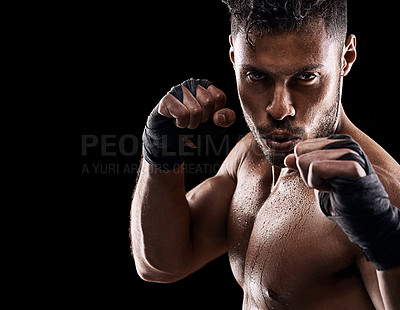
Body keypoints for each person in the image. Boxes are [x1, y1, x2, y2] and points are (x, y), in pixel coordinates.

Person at [130, 0, 400, 308]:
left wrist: (386, 239)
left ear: (345, 58)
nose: (279, 108)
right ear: (233, 56)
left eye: (306, 76)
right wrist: (160, 154)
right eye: (257, 76)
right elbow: (161, 265)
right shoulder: (249, 155)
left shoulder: (381, 193)